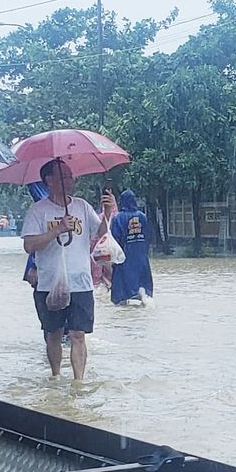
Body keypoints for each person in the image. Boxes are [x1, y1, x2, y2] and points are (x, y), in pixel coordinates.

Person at [22, 159, 114, 381]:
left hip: (80, 282)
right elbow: (29, 245)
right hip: (49, 283)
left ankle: (78, 381)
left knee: (78, 334)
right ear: (49, 181)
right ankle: (55, 376)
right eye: (63, 177)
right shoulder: (38, 211)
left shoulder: (81, 206)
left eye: (70, 176)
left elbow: (98, 232)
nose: (69, 181)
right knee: (53, 334)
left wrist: (108, 212)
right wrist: (59, 229)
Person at [108, 189, 154, 306]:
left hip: (124, 256)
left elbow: (114, 239)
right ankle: (143, 297)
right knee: (141, 282)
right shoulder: (142, 216)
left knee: (121, 285)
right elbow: (148, 235)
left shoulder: (118, 218)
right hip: (141, 255)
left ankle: (124, 306)